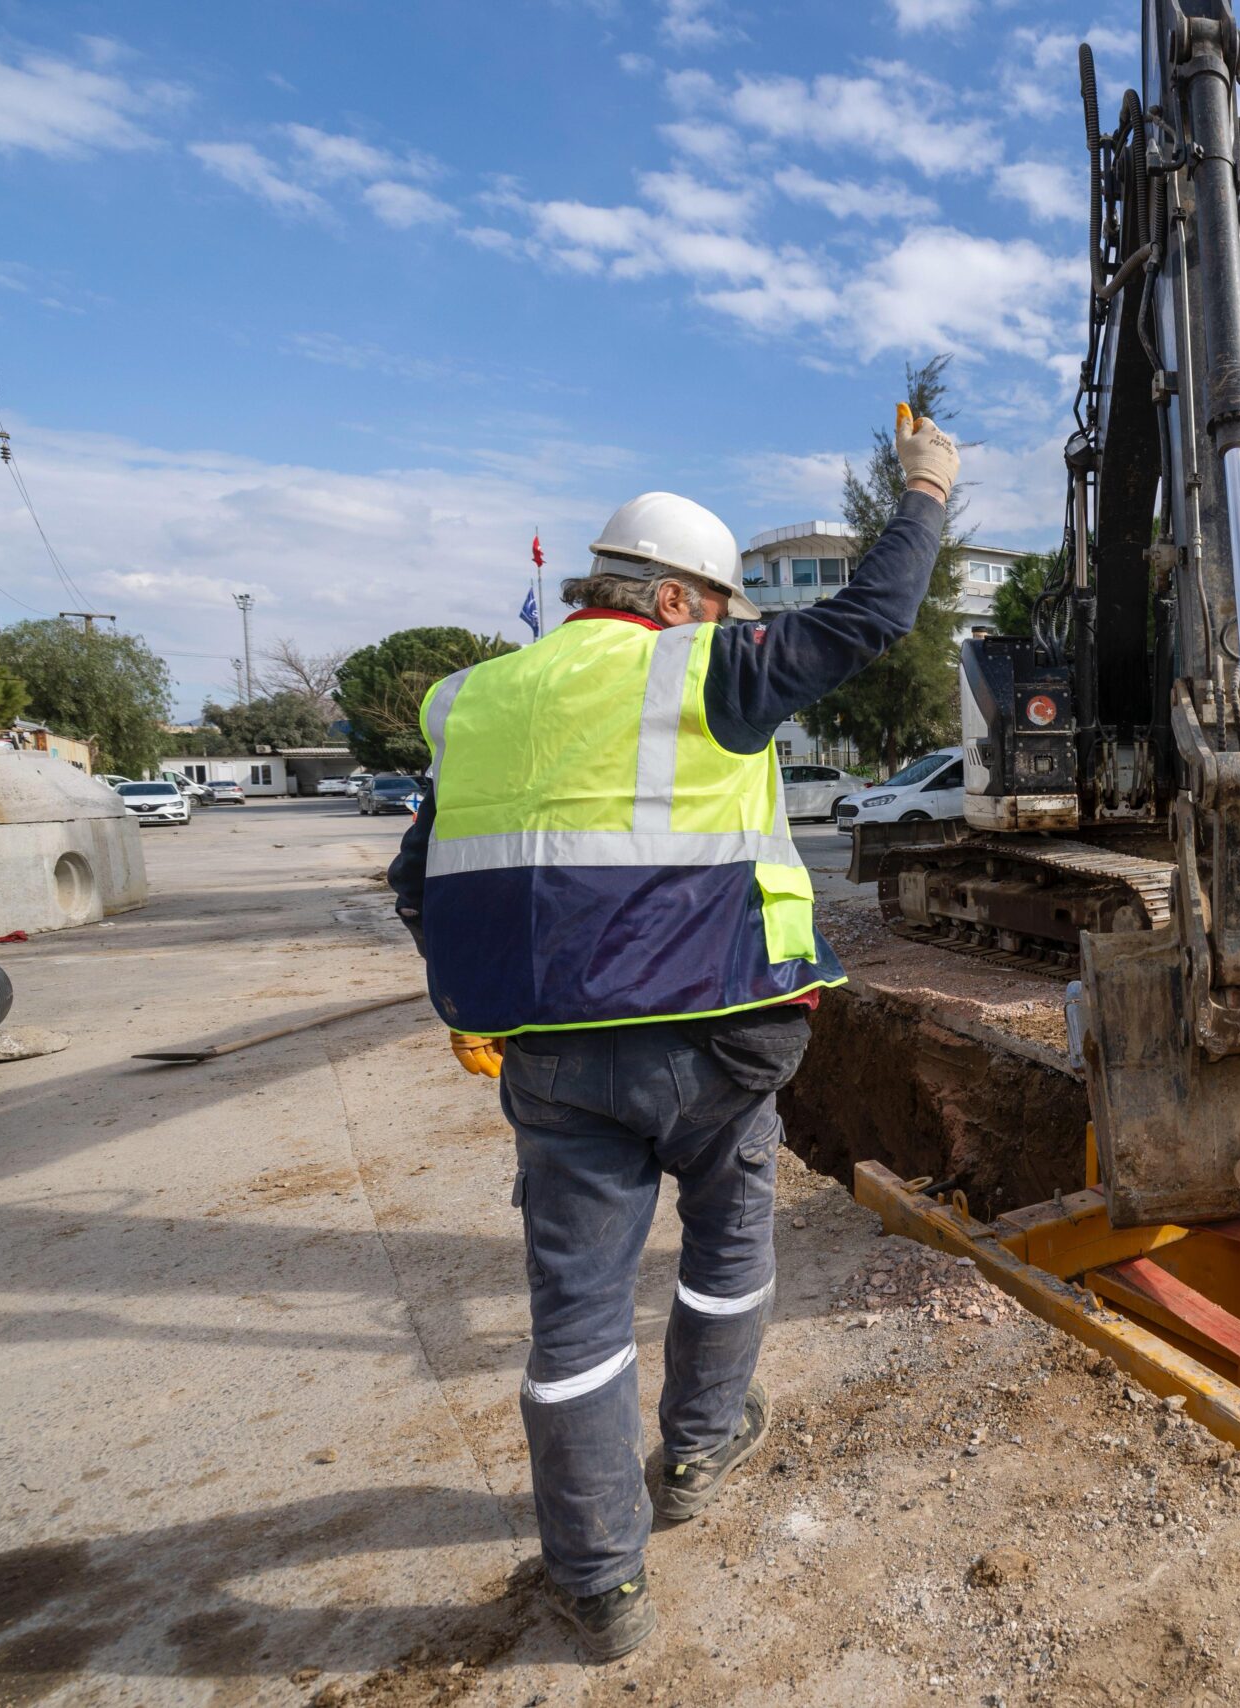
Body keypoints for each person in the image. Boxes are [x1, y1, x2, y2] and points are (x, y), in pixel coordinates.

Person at [388, 414, 957, 1660]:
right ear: (664, 595)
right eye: (717, 603)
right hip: (719, 1043)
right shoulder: (697, 668)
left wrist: (486, 1004)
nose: (729, 622)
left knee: (576, 1317)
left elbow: (419, 881)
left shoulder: (474, 702)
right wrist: (925, 491)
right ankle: (699, 1449)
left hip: (555, 1065)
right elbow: (870, 616)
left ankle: (599, 1586)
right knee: (726, 1246)